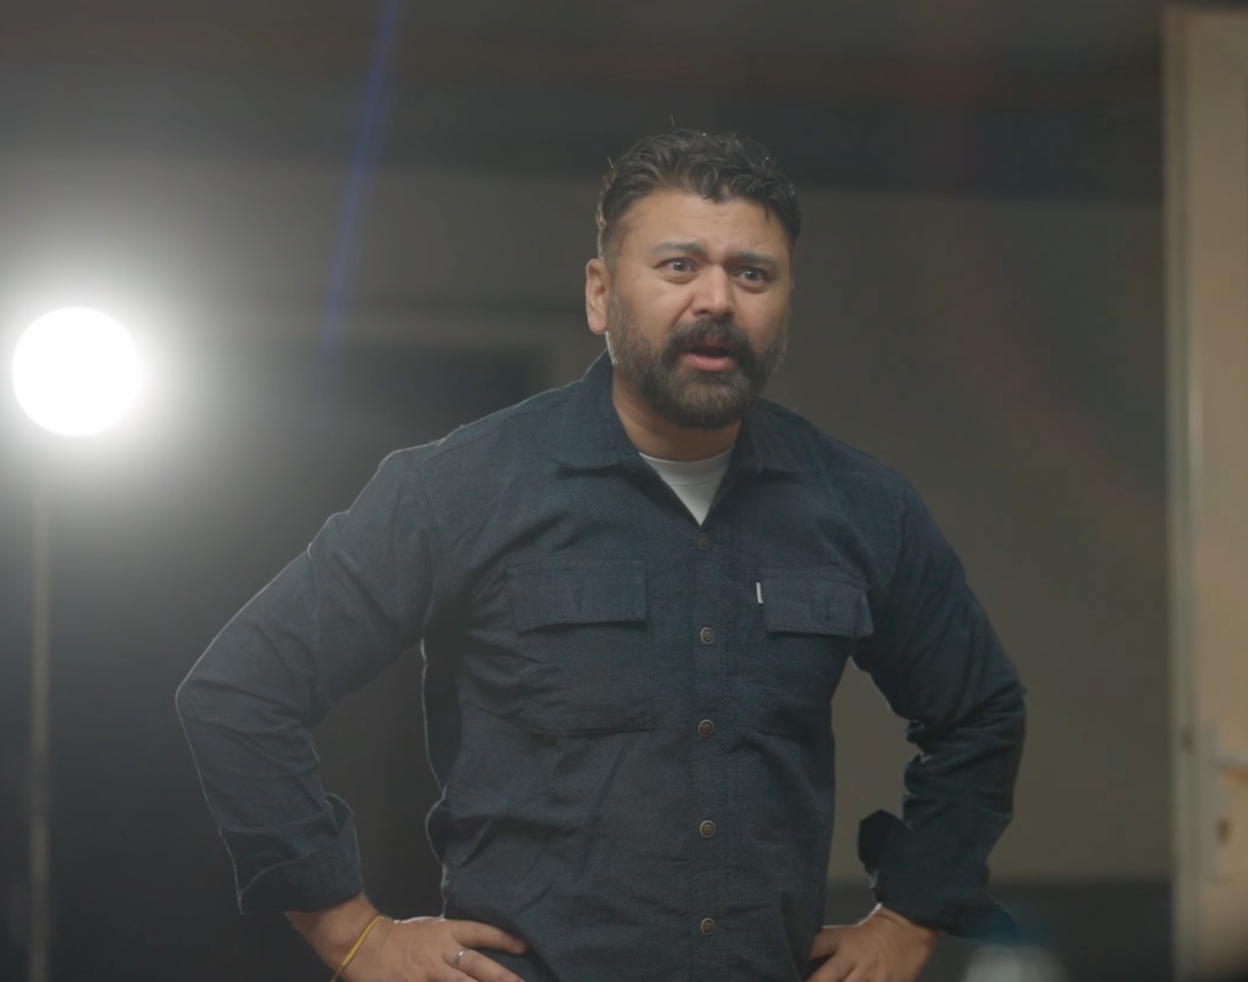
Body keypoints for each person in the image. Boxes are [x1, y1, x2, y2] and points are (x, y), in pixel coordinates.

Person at [175, 129, 1026, 982]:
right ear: (600, 294)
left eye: (752, 274)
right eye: (679, 266)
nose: (717, 300)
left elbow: (980, 712)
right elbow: (241, 691)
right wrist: (351, 934)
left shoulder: (862, 507)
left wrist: (911, 919)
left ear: (785, 302)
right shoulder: (459, 489)